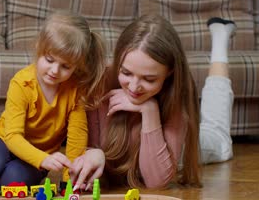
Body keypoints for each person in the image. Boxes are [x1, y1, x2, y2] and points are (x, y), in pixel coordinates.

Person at [69, 14, 236, 190]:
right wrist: (93, 153)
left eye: (149, 79)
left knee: (218, 139)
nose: (133, 87)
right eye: (126, 73)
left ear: (169, 73)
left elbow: (157, 181)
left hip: (175, 150)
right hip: (137, 157)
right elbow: (83, 149)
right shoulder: (98, 85)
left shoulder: (174, 93)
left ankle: (220, 38)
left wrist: (150, 110)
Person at [0, 10, 107, 187]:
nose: (54, 71)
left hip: (37, 154)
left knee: (13, 181)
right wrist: (43, 159)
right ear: (39, 47)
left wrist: (70, 182)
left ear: (77, 65)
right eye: (49, 60)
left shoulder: (75, 91)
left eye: (65, 66)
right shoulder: (22, 82)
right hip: (4, 140)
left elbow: (77, 138)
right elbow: (13, 136)